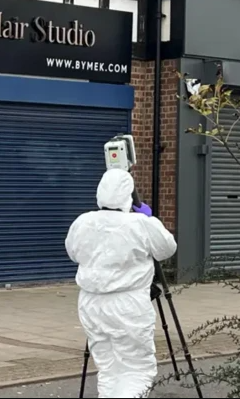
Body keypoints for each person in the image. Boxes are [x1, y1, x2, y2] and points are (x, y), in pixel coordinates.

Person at [65, 168, 177, 398]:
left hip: (91, 303)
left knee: (108, 368)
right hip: (129, 304)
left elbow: (74, 253)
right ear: (129, 195)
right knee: (137, 369)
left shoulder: (83, 222)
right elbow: (167, 249)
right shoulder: (140, 224)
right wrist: (149, 219)